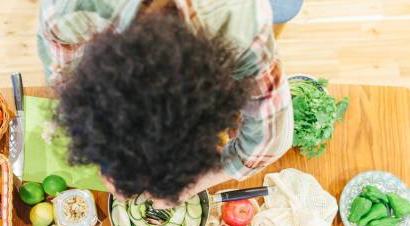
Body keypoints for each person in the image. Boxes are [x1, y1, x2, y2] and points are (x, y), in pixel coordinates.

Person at [37, 0, 294, 207]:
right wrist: (109, 162)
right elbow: (66, 82)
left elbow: (271, 135)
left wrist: (197, 183)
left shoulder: (240, 22)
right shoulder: (66, 12)